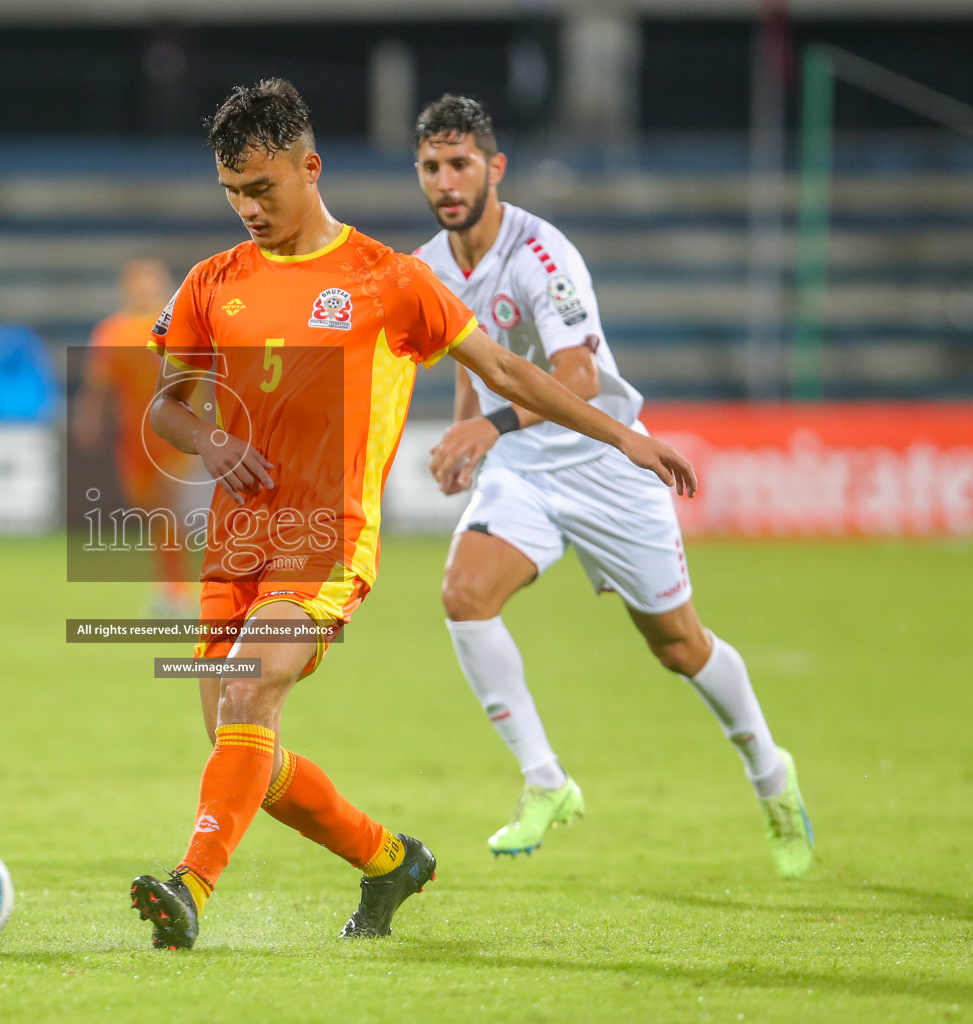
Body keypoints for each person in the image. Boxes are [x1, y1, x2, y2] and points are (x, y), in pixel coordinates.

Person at [129, 79, 696, 951]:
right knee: (241, 749)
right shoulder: (213, 282)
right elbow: (167, 406)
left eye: (262, 189)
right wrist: (208, 439)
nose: (246, 208)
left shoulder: (390, 281)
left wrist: (622, 436)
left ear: (309, 168)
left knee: (247, 694)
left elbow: (507, 371)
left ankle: (189, 888)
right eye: (232, 192)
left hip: (325, 545)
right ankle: (391, 860)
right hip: (235, 545)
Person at [411, 94, 812, 877]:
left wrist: (485, 429)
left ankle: (771, 773)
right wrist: (471, 436)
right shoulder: (430, 266)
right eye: (430, 167)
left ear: (494, 167)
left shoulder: (542, 254)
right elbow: (473, 357)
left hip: (603, 469)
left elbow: (579, 377)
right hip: (525, 471)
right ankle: (544, 780)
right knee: (464, 596)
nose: (445, 181)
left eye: (460, 164)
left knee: (677, 646)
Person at [71, 258, 198, 616]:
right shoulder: (112, 330)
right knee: (153, 514)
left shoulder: (182, 323)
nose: (144, 287)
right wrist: (90, 420)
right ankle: (170, 588)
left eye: (151, 280)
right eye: (137, 281)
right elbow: (99, 384)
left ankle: (179, 591)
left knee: (169, 508)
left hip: (175, 434)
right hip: (133, 439)